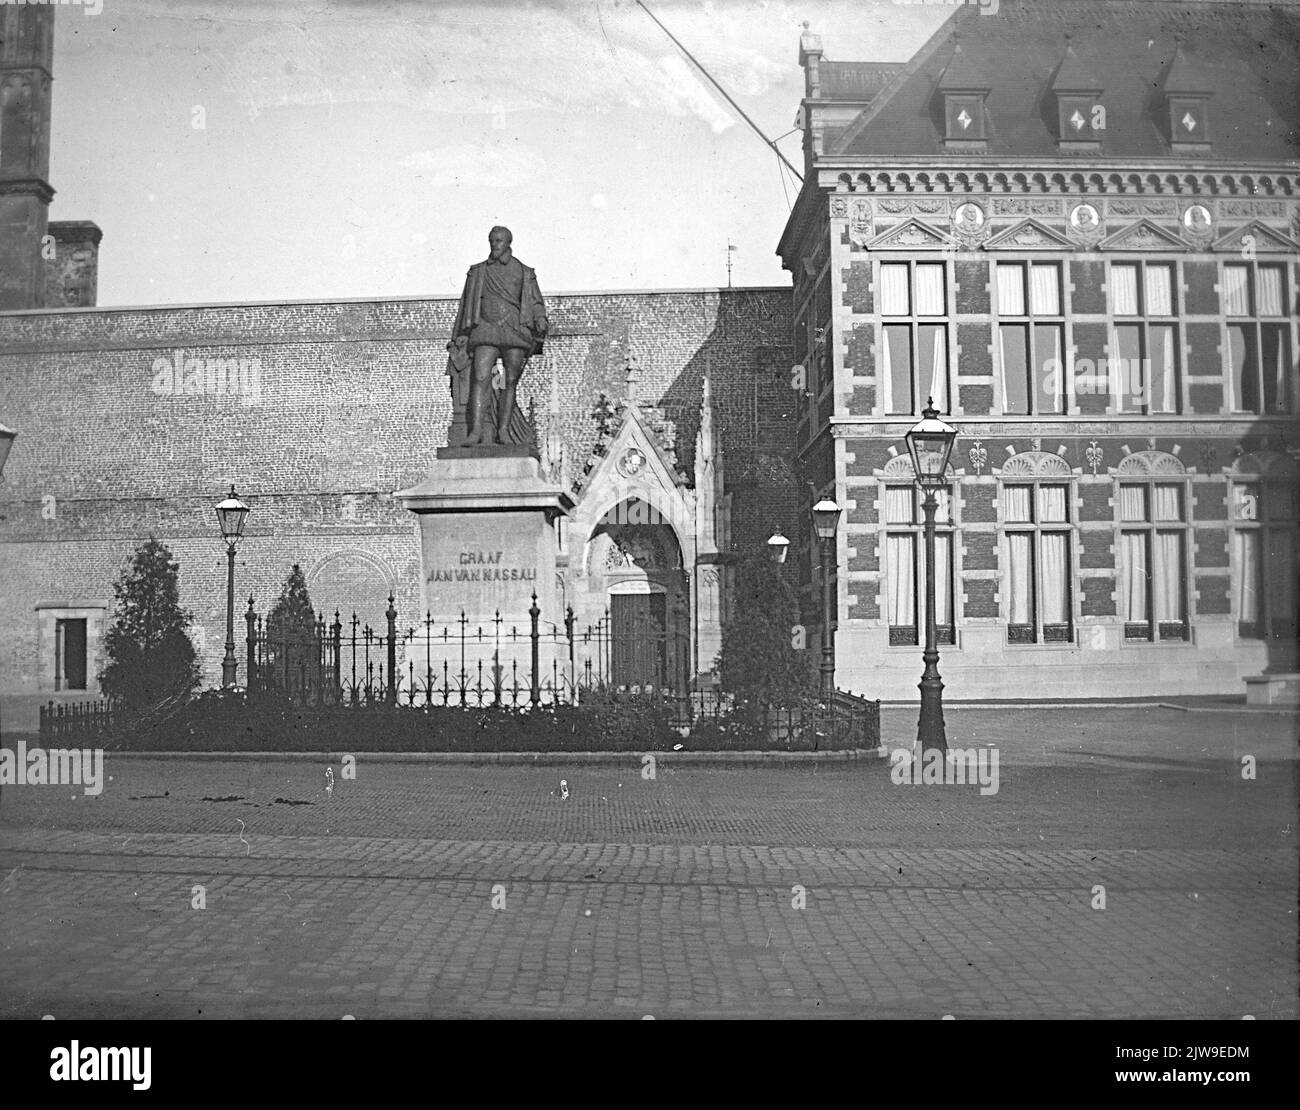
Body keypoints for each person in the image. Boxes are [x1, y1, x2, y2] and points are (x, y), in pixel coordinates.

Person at [449, 226, 548, 446]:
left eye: (499, 241)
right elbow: (466, 304)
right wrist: (462, 334)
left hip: (514, 329)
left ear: (508, 243)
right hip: (485, 328)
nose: (495, 244)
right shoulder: (478, 271)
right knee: (481, 377)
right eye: (492, 240)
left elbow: (535, 301)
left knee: (510, 381)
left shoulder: (524, 271)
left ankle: (503, 430)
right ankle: (475, 431)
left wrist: (540, 318)